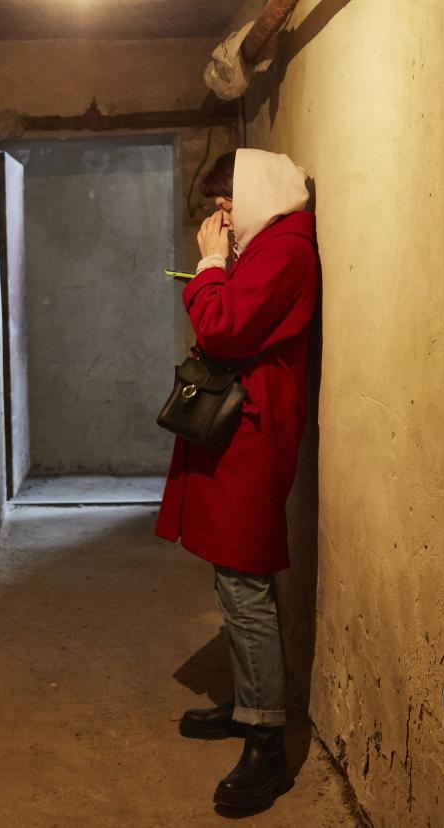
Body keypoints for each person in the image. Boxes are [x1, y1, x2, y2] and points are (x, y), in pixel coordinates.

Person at [155, 148, 318, 810]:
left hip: (253, 429)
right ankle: (251, 702)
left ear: (252, 195)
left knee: (245, 578)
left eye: (226, 204)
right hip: (241, 422)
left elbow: (222, 328)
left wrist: (211, 268)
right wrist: (217, 270)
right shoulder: (275, 240)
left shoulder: (284, 248)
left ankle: (266, 742)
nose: (222, 219)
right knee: (231, 573)